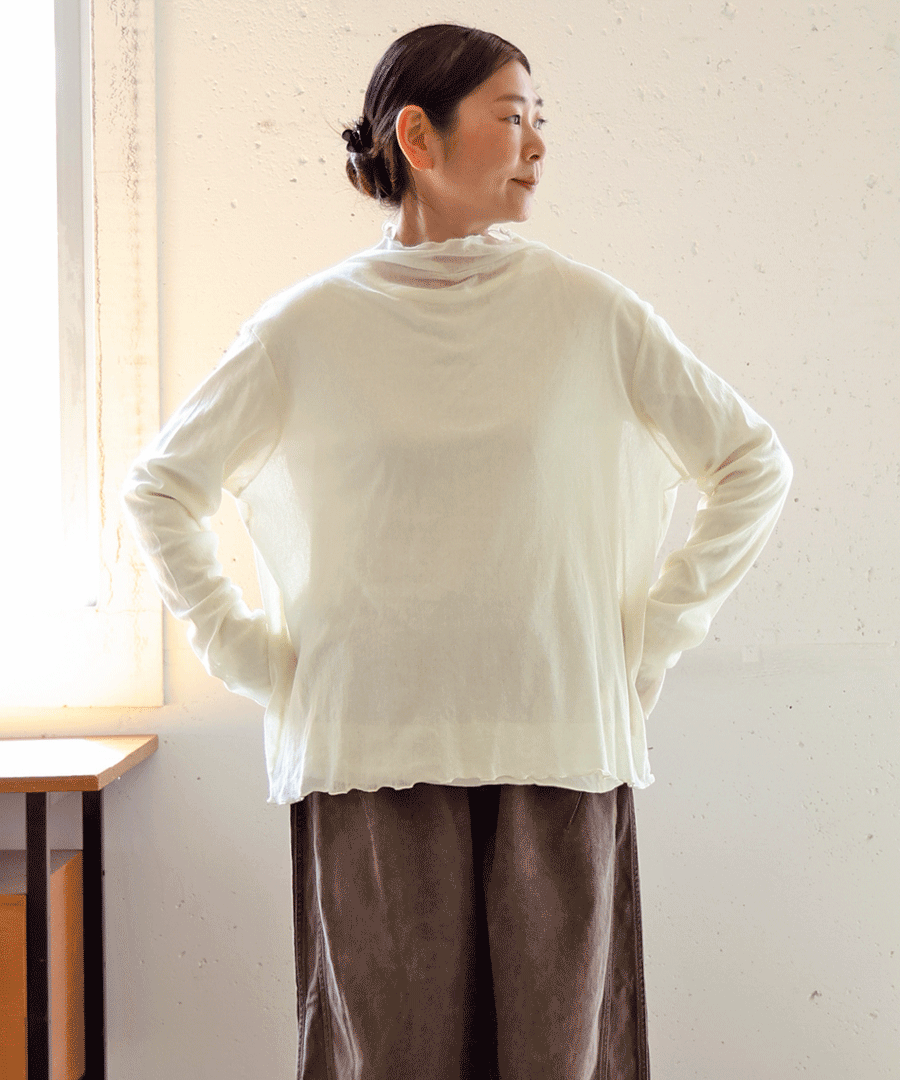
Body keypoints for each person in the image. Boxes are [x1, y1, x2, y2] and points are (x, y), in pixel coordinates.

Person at [122, 22, 792, 1080]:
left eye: (540, 119)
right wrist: (254, 657)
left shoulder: (590, 314)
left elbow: (752, 463)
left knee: (559, 1059)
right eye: (512, 116)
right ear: (418, 138)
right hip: (372, 758)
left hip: (556, 746)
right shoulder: (308, 328)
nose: (537, 143)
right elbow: (162, 488)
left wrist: (650, 639)